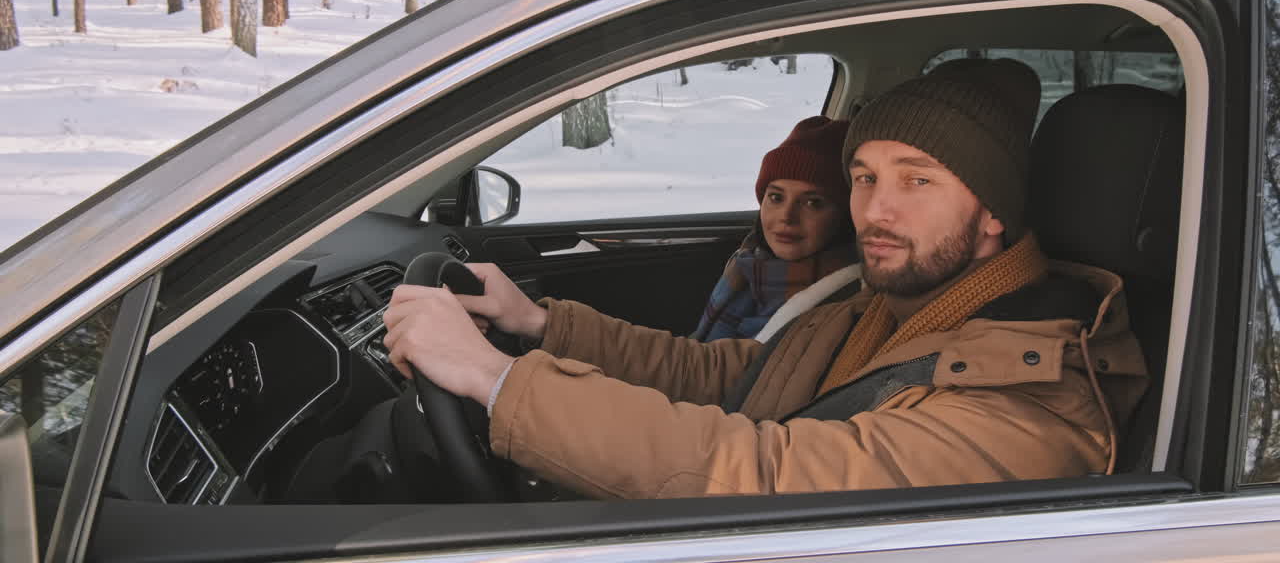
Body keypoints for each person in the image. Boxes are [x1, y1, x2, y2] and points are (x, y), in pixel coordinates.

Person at [383, 59, 1148, 498]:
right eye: (864, 176)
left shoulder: (1032, 403)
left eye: (918, 182)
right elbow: (735, 378)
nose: (874, 211)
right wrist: (542, 326)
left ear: (993, 213)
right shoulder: (898, 303)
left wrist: (496, 382)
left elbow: (764, 475)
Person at [692, 116, 859, 343]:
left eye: (813, 203)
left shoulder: (843, 300)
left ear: (845, 215)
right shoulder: (748, 263)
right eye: (776, 197)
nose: (786, 217)